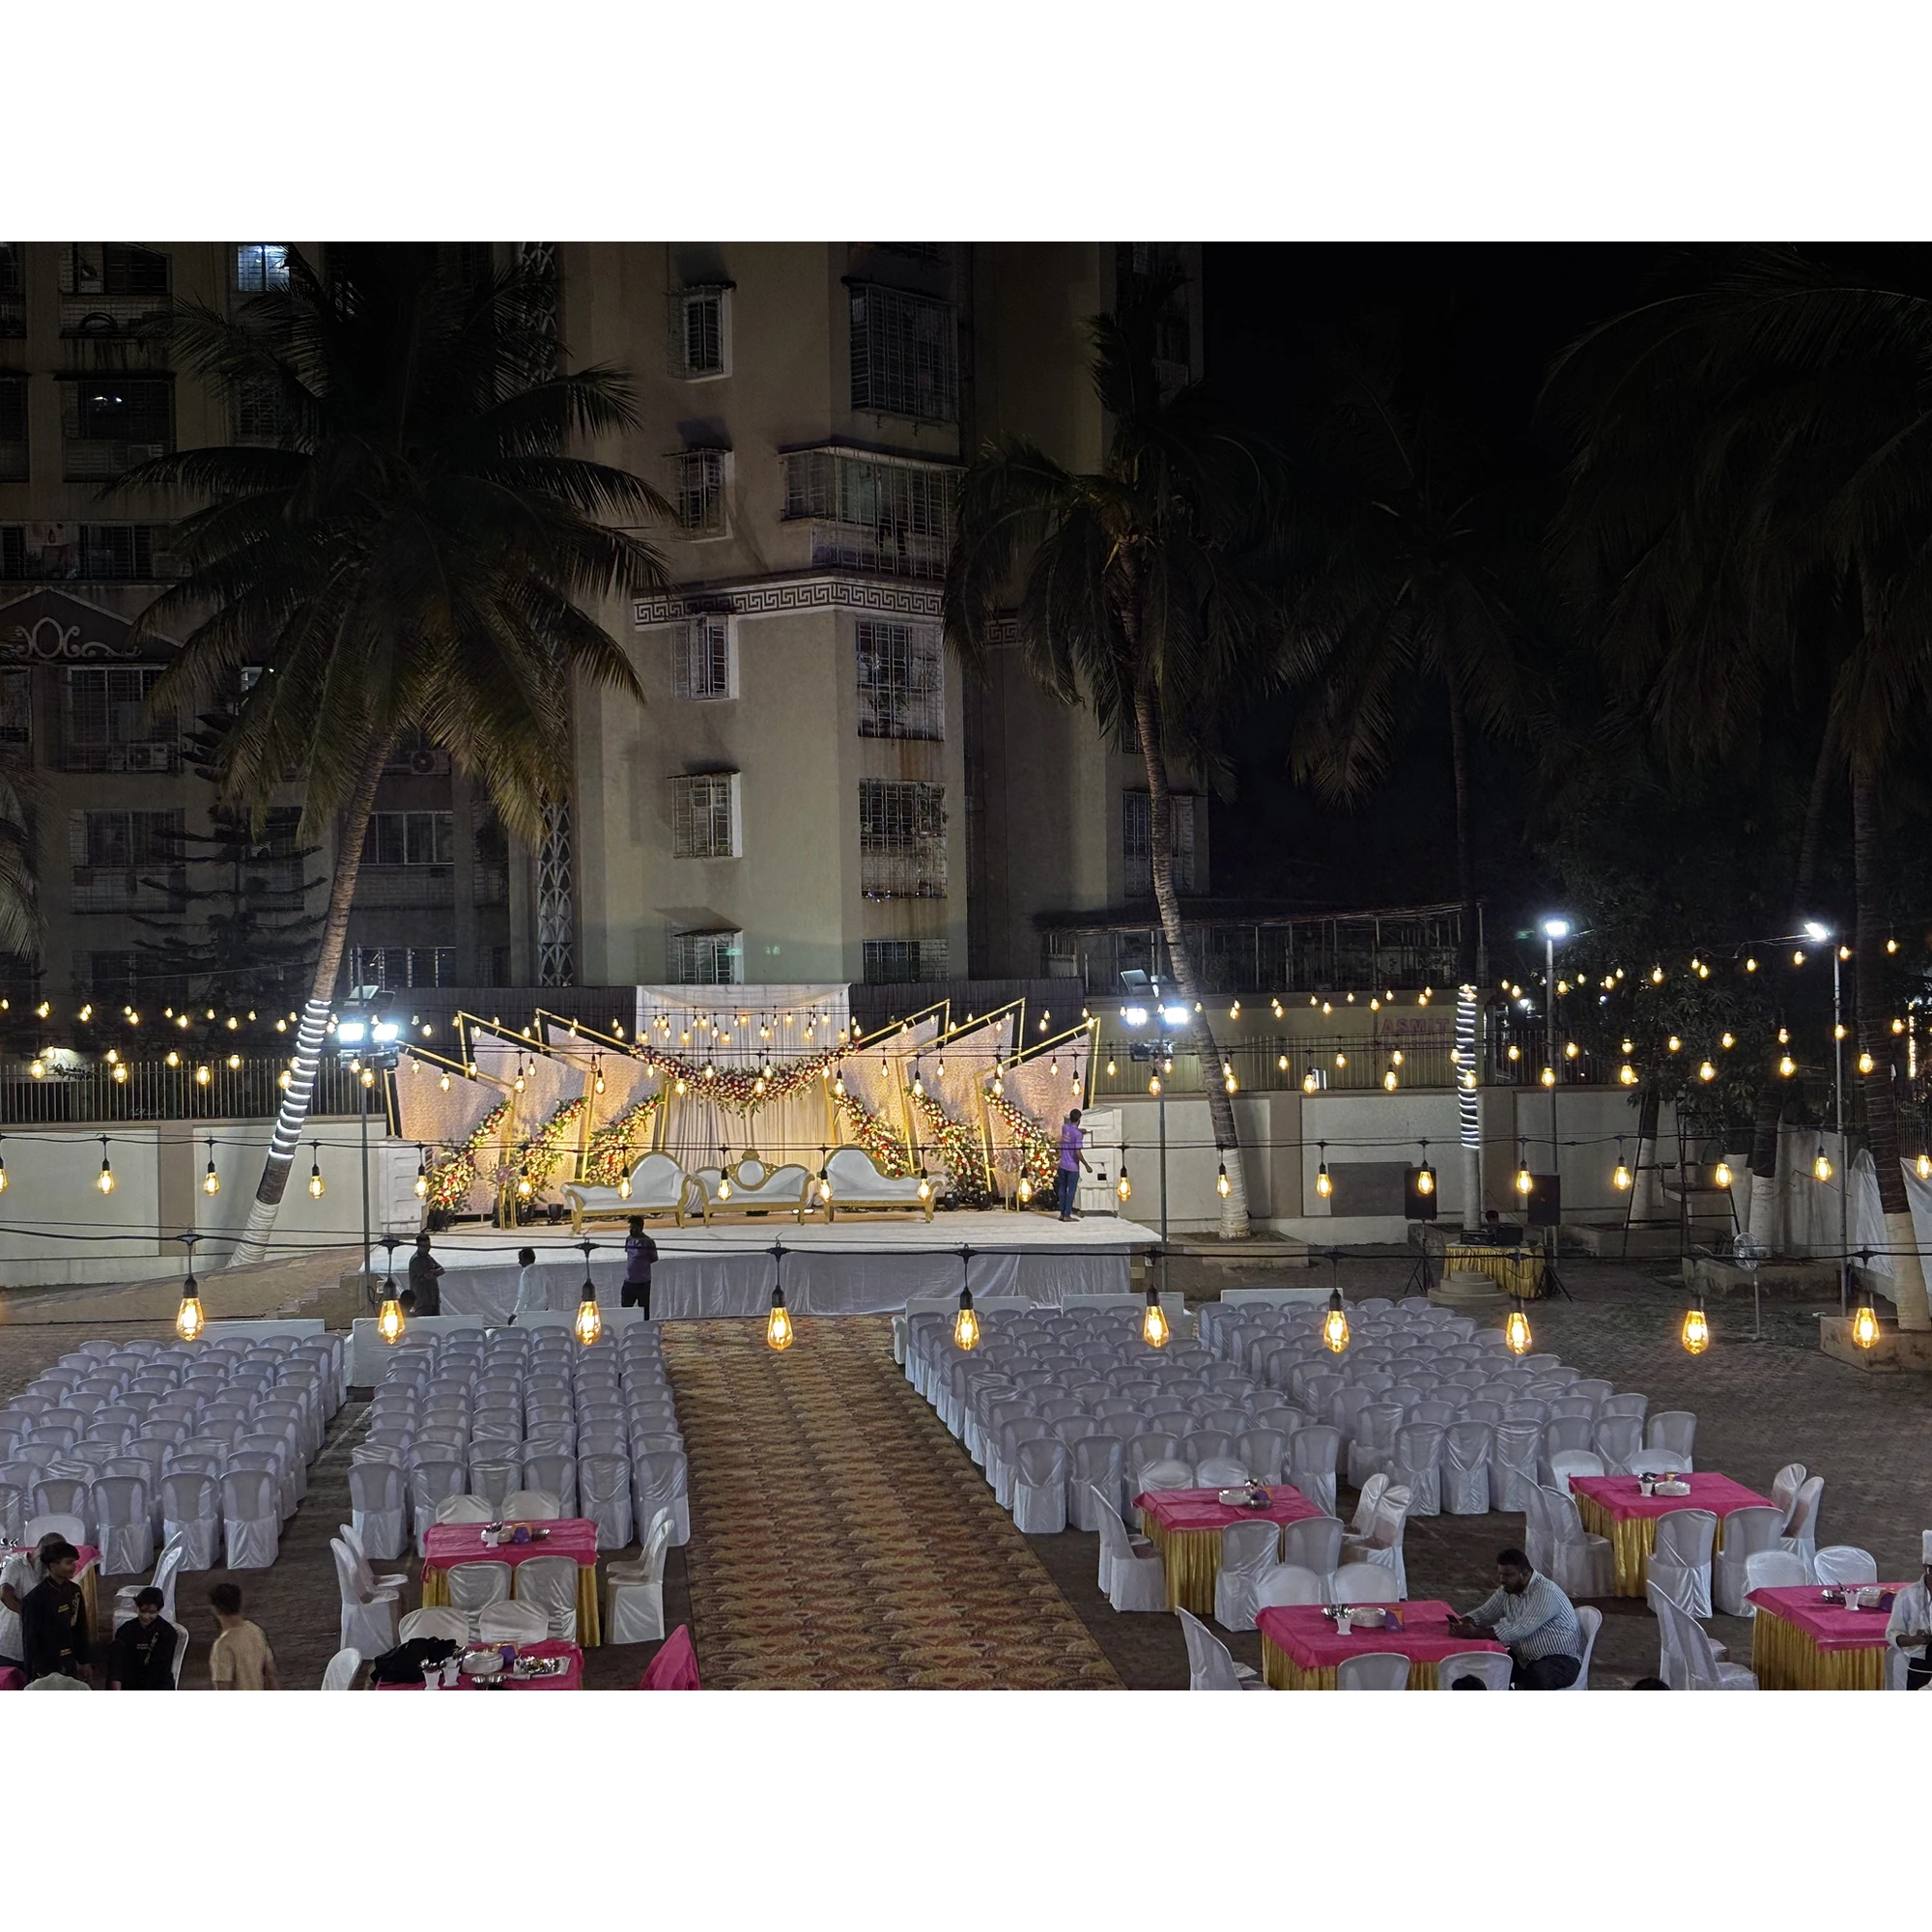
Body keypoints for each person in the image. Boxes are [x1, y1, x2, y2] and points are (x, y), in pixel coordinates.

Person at [1449, 1547, 1583, 1691]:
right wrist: (1466, 1621)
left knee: (1537, 1676)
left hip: (1561, 1661)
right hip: (1525, 1659)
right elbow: (1485, 1613)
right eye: (1500, 1574)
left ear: (1524, 1574)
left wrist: (1475, 1633)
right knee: (1488, 1667)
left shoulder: (1545, 1593)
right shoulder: (1509, 1589)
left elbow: (1520, 1629)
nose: (1502, 1580)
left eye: (1507, 1575)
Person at [20, 1542, 91, 1684]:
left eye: (74, 1562)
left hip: (71, 1660)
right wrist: (34, 1674)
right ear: (53, 1565)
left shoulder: (75, 1591)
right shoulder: (34, 1599)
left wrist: (84, 1660)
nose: (74, 1566)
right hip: (47, 1665)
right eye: (69, 1563)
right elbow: (30, 1641)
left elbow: (80, 1627)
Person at [0, 1531, 64, 1670]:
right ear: (41, 1553)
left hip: (35, 1646)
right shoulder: (15, 1565)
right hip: (9, 1644)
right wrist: (30, 1615)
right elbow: (5, 1595)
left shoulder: (50, 1573)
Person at [208, 1581, 280, 1692]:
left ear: (215, 1609)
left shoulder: (223, 1645)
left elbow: (223, 1688)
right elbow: (271, 1673)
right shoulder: (255, 1630)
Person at [1886, 1531, 1932, 1690]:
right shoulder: (1907, 1596)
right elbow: (1893, 1634)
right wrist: (1915, 1640)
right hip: (1917, 1660)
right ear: (1926, 1568)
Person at [110, 1588, 177, 1692]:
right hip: (131, 1679)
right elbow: (117, 1664)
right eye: (143, 1611)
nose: (146, 1617)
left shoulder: (167, 1632)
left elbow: (163, 1668)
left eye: (152, 1612)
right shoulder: (125, 1630)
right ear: (137, 1608)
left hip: (158, 1682)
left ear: (159, 1610)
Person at [1056, 1109, 1092, 1221]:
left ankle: (1062, 1214)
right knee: (1071, 1191)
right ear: (1079, 1120)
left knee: (1062, 1189)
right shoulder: (1077, 1135)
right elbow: (1077, 1152)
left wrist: (1080, 1131)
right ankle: (1067, 1215)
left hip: (1062, 1164)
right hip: (1072, 1167)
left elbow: (1071, 1129)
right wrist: (1086, 1165)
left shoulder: (1064, 1128)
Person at [623, 1215, 657, 1314]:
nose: (631, 1230)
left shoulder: (648, 1242)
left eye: (634, 1227)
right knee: (625, 1309)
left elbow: (654, 1258)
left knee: (644, 1309)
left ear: (641, 1227)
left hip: (643, 1282)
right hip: (629, 1280)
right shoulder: (628, 1239)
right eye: (630, 1227)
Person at [405, 1231, 443, 1317]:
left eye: (428, 1245)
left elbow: (442, 1270)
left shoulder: (428, 1258)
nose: (427, 1248)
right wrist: (434, 1273)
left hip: (433, 1299)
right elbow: (427, 1276)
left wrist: (433, 1272)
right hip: (422, 1301)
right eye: (424, 1246)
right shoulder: (416, 1260)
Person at [511, 1246, 546, 1321]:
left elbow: (523, 1297)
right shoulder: (542, 1271)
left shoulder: (526, 1274)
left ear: (526, 1259)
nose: (519, 1262)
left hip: (529, 1313)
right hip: (544, 1311)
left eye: (521, 1259)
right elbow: (550, 1290)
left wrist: (514, 1314)